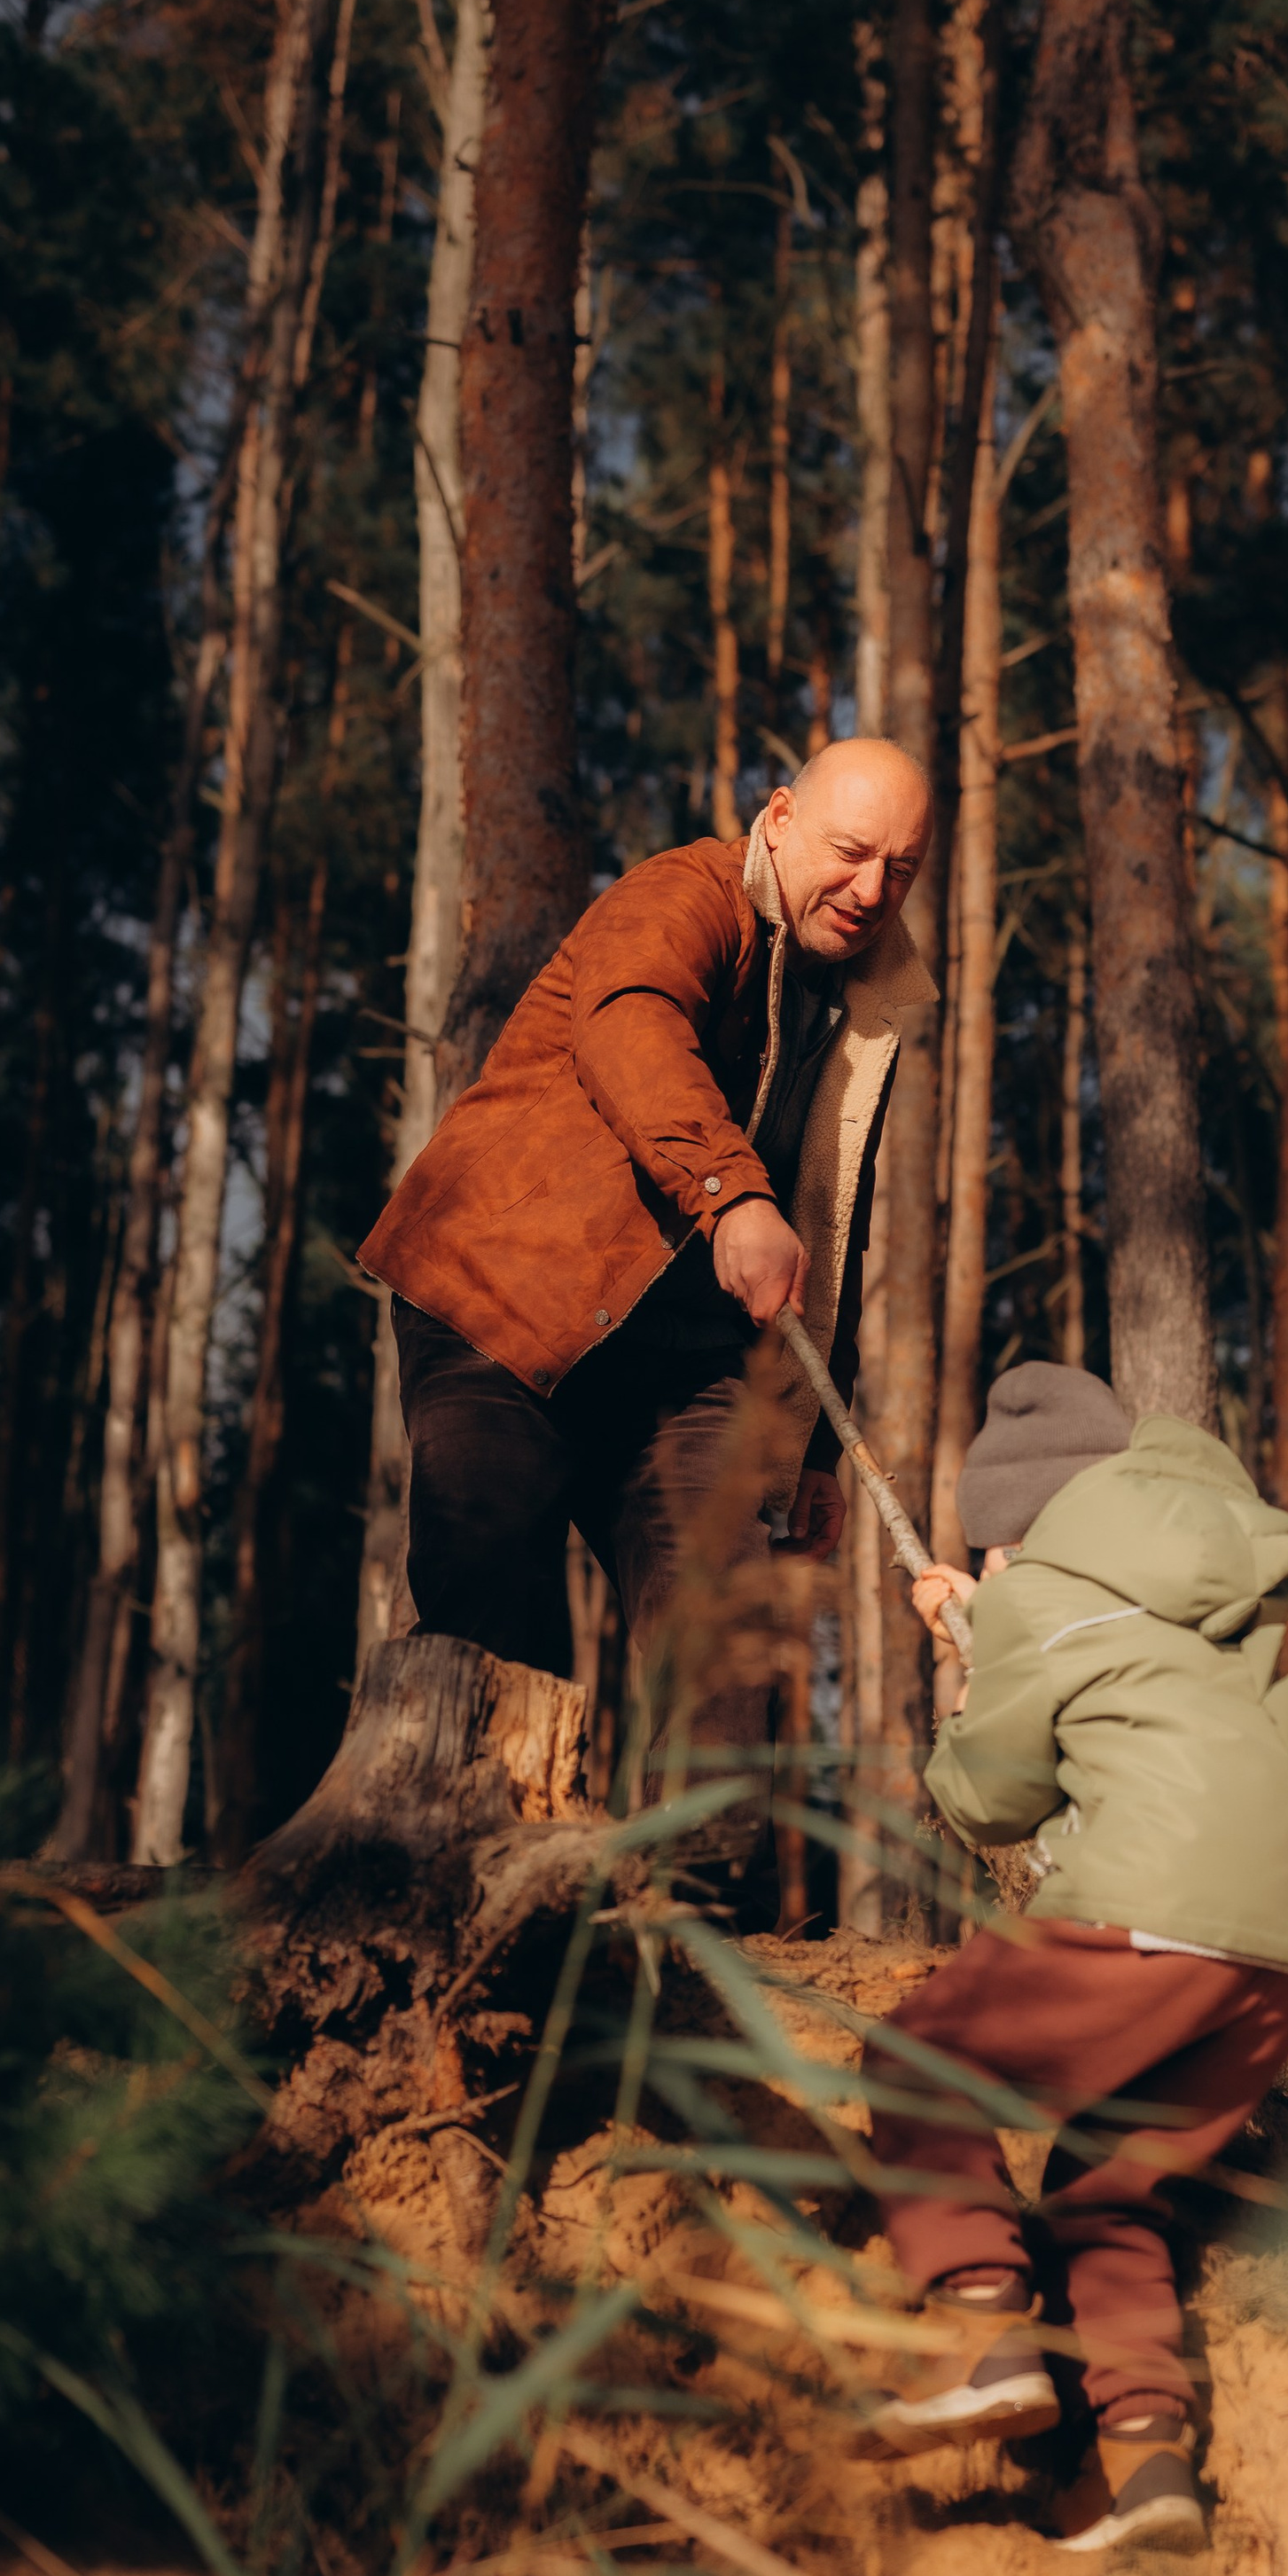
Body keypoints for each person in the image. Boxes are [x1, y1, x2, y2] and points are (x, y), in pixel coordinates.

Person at [357, 741, 935, 1805]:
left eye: (899, 869)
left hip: (678, 1367)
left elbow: (830, 1221)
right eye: (851, 853)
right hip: (506, 1303)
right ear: (778, 819)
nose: (869, 891)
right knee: (495, 1630)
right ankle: (489, 1892)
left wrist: (812, 1439)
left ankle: (702, 1933)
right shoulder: (683, 891)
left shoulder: (873, 1000)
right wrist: (730, 1193)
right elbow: (629, 1022)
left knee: (721, 1638)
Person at [856, 1365, 1288, 2556]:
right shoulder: (1188, 1607)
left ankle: (980, 2324)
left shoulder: (1041, 1597)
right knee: (1106, 2185)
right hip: (1280, 1951)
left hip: (1153, 1904)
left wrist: (970, 1660)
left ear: (1012, 1535)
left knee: (923, 2059)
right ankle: (1144, 2463)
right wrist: (999, 1620)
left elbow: (987, 1798)